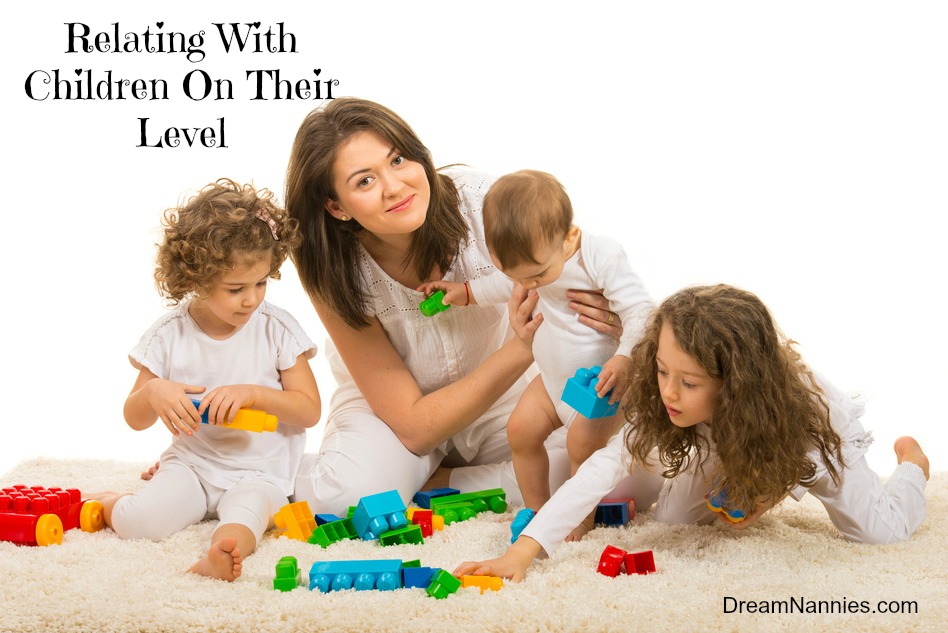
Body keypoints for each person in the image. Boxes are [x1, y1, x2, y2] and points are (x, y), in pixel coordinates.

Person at [283, 98, 623, 515]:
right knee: (342, 500)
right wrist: (522, 346)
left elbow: (578, 263)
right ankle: (283, 476)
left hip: (504, 401)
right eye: (364, 182)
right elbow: (412, 426)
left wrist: (604, 313)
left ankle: (441, 483)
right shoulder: (333, 267)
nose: (395, 186)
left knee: (601, 466)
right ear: (336, 207)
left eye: (398, 159)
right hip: (394, 415)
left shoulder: (484, 203)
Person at [455, 284, 930, 582]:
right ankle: (742, 480)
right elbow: (599, 471)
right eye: (661, 371)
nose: (668, 392)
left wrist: (765, 490)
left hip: (800, 444)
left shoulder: (804, 416)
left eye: (688, 382)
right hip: (721, 434)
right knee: (675, 521)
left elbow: (787, 457)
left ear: (734, 383)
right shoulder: (672, 401)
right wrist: (523, 552)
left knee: (879, 535)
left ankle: (915, 466)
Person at [92, 179, 322, 582]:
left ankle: (220, 553)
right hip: (193, 465)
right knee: (141, 523)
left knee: (248, 515)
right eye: (236, 289)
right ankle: (112, 504)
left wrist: (254, 394)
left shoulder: (277, 329)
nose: (252, 299)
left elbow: (309, 411)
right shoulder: (170, 334)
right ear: (195, 280)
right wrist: (154, 391)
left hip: (260, 472)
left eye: (261, 283)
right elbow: (134, 417)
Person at [418, 170, 653, 542]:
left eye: (537, 277)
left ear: (569, 237)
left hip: (600, 386)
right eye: (518, 277)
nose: (527, 286)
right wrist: (463, 291)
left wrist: (624, 359)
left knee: (581, 447)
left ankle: (576, 519)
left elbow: (642, 311)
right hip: (553, 380)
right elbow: (504, 282)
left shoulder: (599, 256)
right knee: (520, 432)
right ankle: (538, 511)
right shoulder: (533, 263)